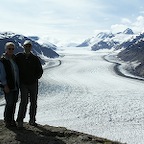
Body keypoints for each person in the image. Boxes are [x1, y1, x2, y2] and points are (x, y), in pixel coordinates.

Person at [16, 40, 43, 128]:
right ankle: (20, 120)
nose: (27, 47)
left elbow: (40, 70)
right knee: (24, 102)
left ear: (31, 47)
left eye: (29, 46)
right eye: (26, 46)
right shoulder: (19, 57)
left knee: (33, 102)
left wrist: (35, 77)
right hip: (23, 83)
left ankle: (32, 119)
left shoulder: (35, 58)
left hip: (33, 84)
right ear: (23, 46)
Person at [0, 42, 19, 127]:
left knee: (14, 103)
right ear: (5, 49)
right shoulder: (3, 60)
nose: (11, 50)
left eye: (12, 49)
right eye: (9, 48)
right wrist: (5, 85)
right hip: (8, 85)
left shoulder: (14, 59)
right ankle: (7, 120)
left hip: (15, 85)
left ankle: (12, 119)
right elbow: (2, 74)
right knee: (9, 103)